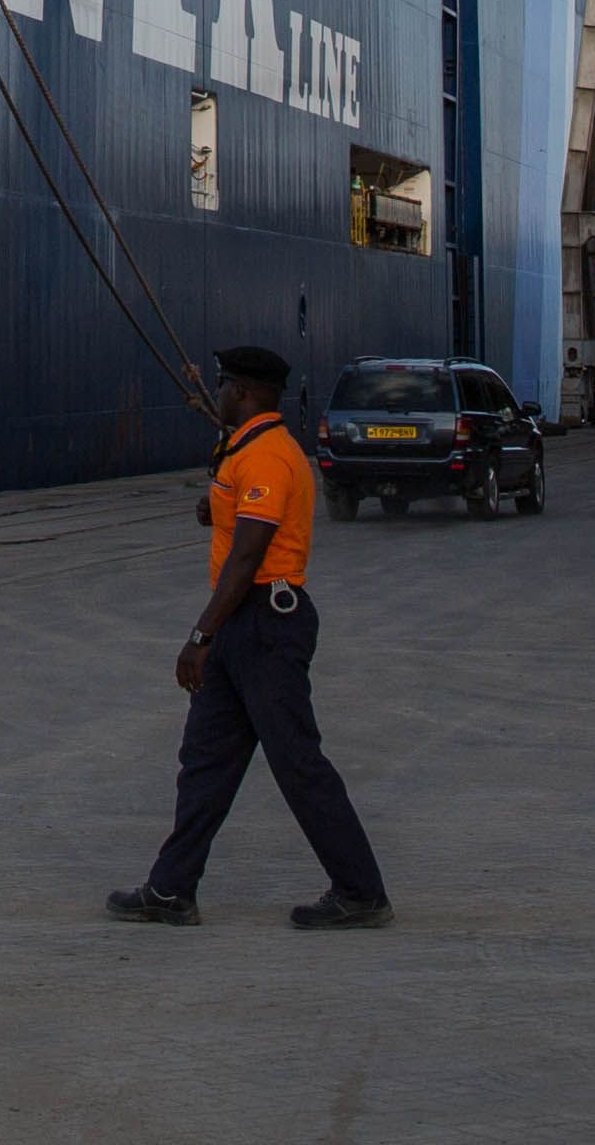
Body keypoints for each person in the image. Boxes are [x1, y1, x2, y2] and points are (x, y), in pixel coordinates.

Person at [109, 344, 393, 930]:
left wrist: (199, 634)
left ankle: (361, 892)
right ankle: (171, 889)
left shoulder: (266, 455)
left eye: (221, 388)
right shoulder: (248, 450)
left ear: (241, 391)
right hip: (246, 623)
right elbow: (246, 520)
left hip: (265, 621)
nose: (216, 397)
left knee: (296, 761)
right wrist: (215, 509)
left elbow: (248, 558)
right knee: (205, 762)